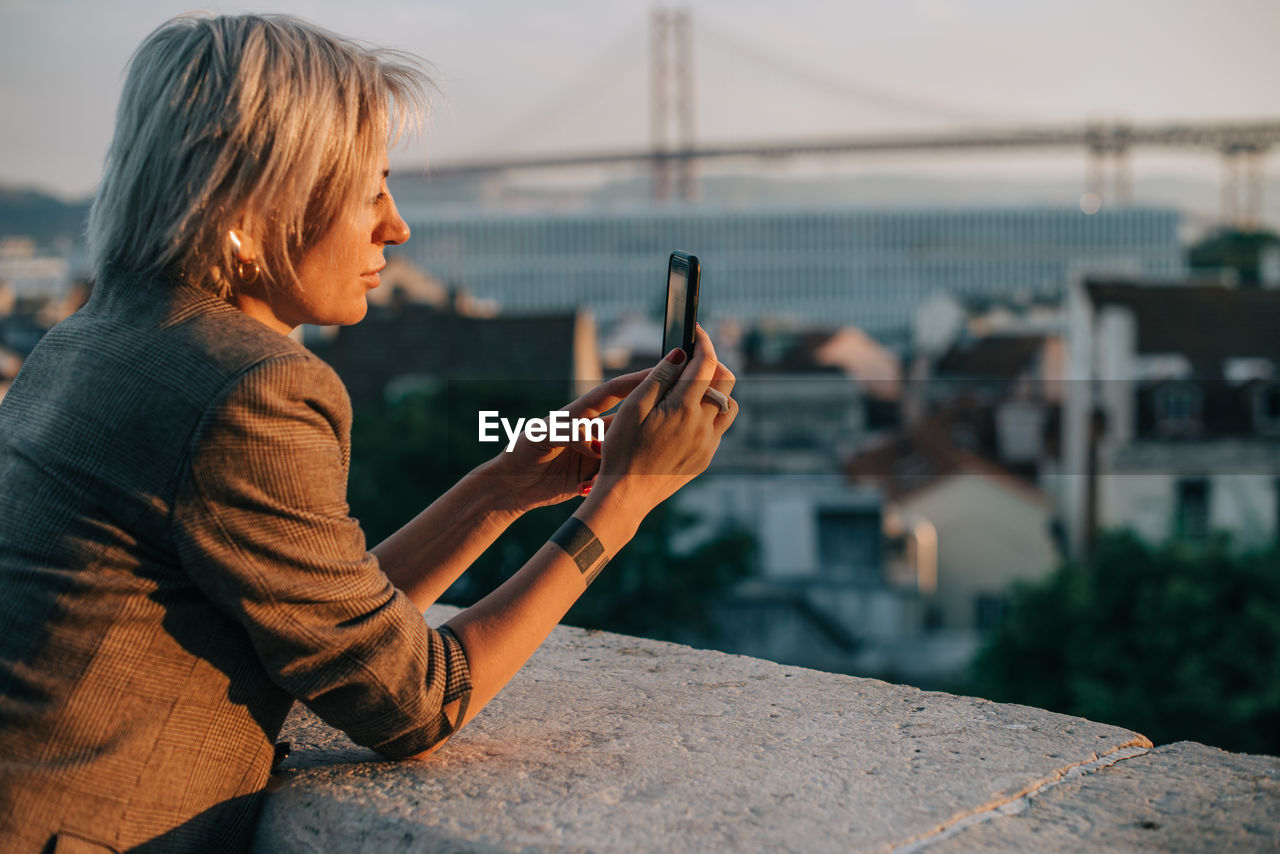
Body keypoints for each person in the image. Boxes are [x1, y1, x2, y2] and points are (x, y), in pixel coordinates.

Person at [0, 13, 736, 853]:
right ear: (256, 209)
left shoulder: (85, 340)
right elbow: (416, 703)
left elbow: (322, 622)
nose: (396, 226)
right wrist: (625, 499)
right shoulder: (251, 384)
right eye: (371, 189)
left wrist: (505, 487)